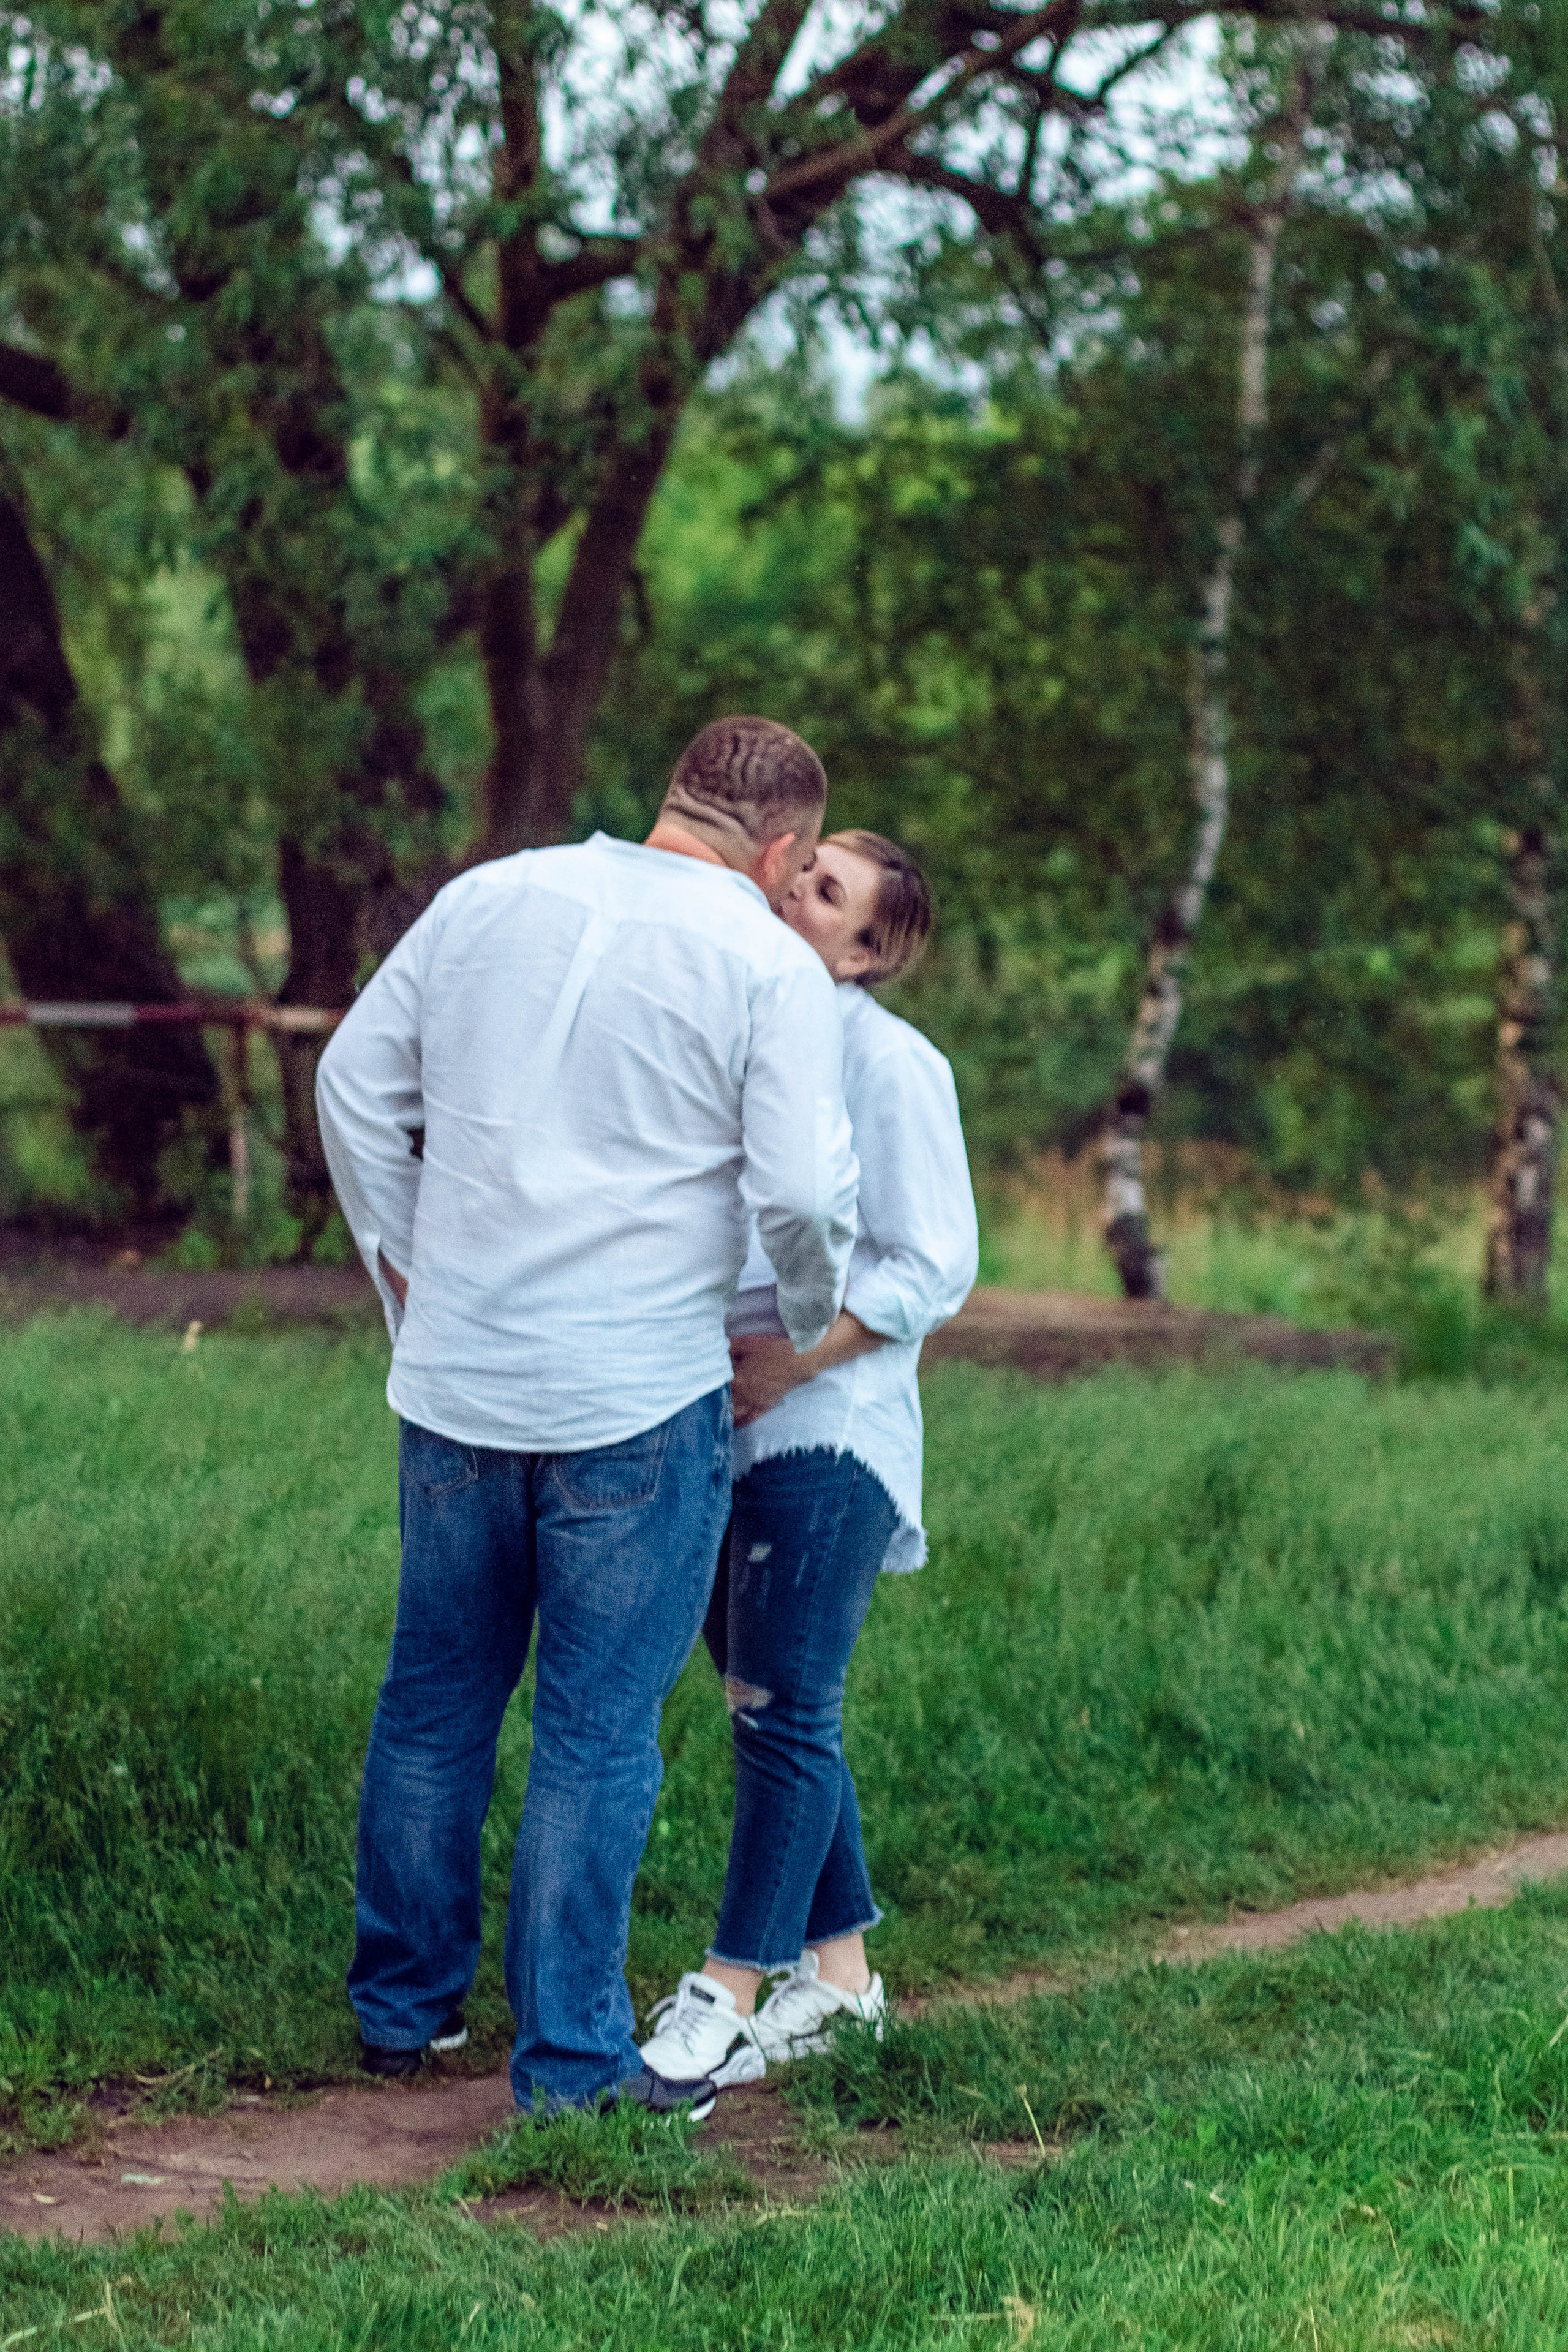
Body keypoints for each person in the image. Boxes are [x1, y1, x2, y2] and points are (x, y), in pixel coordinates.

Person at [315, 717, 859, 2122]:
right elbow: (802, 1197)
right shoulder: (764, 965)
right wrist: (801, 1324)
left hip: (456, 1379)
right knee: (595, 1735)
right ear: (787, 850)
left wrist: (403, 1270)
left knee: (434, 1701)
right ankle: (566, 2064)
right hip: (631, 1397)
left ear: (671, 793)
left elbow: (349, 1090)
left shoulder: (488, 896)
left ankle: (401, 2014)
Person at [637, 830, 978, 2093]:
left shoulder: (892, 1065)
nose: (794, 890)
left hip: (826, 1433)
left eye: (826, 891)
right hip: (718, 1424)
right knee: (764, 1706)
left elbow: (932, 1261)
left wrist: (797, 1361)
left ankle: (721, 1999)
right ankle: (840, 1981)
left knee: (781, 1711)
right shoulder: (749, 1030)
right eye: (800, 871)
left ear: (868, 947)